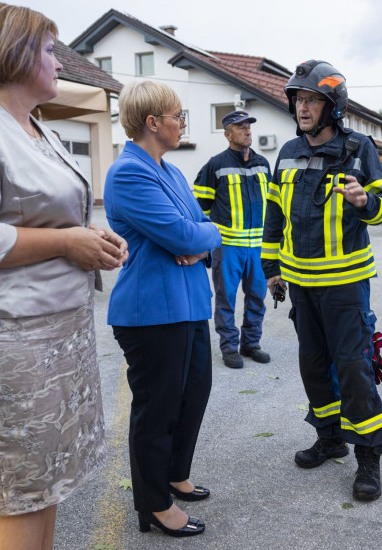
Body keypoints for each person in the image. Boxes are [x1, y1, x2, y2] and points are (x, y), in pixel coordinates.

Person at [0, 3, 128, 550]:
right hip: (12, 335)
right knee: (19, 489)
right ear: (14, 52)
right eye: (51, 50)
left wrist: (88, 239)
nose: (60, 62)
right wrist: (66, 241)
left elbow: (47, 213)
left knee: (47, 481)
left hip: (59, 328)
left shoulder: (38, 129)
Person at [261, 60, 382, 501]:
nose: (303, 108)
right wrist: (271, 271)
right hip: (301, 287)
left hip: (344, 286)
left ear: (332, 106)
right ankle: (330, 438)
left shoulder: (359, 148)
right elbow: (274, 217)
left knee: (355, 369)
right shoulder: (285, 152)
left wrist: (365, 201)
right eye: (298, 99)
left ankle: (368, 457)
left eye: (312, 100)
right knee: (313, 368)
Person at [104, 80, 221, 537]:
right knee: (158, 408)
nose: (182, 124)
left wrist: (200, 237)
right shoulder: (129, 173)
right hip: (151, 312)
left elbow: (203, 229)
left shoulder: (169, 171)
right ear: (152, 123)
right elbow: (183, 234)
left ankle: (175, 475)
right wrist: (196, 236)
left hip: (189, 305)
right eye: (178, 116)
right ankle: (153, 503)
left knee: (194, 394)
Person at [193, 110, 272, 369]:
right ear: (228, 134)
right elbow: (200, 208)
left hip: (258, 247)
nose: (247, 130)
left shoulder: (263, 163)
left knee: (257, 297)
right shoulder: (215, 165)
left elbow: (273, 205)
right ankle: (229, 347)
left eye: (249, 126)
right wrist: (208, 240)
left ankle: (251, 343)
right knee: (226, 297)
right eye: (240, 127)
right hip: (228, 246)